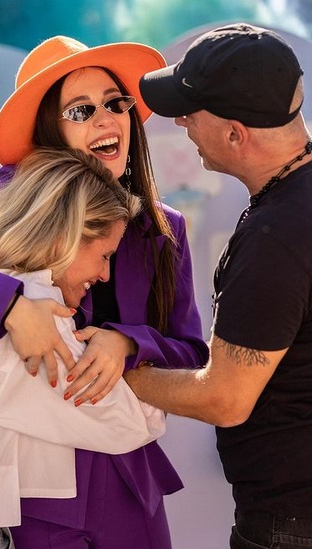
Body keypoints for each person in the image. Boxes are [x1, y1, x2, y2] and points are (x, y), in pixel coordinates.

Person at [0, 36, 209, 549]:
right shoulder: (8, 200)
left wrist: (128, 342)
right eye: (81, 110)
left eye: (116, 103)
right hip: (29, 487)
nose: (106, 119)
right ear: (50, 130)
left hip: (127, 478)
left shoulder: (162, 227)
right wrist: (13, 308)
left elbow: (191, 350)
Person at [0, 146, 166, 549]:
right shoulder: (32, 314)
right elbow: (126, 426)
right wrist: (129, 359)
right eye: (104, 255)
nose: (106, 275)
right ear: (67, 237)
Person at [124, 22, 312, 548]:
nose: (180, 120)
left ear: (235, 133)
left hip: (288, 524)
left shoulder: (279, 234)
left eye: (192, 109)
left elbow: (226, 398)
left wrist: (120, 373)